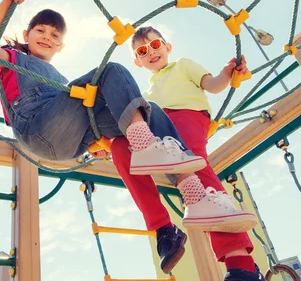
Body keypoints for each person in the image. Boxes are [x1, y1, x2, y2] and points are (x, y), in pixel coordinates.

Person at [0, 0, 253, 264]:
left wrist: (105, 145)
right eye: (41, 31)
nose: (47, 37)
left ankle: (194, 199)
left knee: (148, 113)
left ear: (62, 47)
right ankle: (150, 150)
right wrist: (8, 2)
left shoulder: (60, 80)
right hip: (36, 126)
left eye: (55, 36)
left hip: (67, 142)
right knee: (111, 71)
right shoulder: (13, 58)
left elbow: (91, 125)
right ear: (27, 35)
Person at [108, 26, 263, 281]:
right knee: (120, 149)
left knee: (196, 168)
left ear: (167, 46)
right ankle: (163, 229)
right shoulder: (144, 94)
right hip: (158, 130)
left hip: (186, 116)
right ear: (138, 61)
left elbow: (213, 85)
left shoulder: (182, 66)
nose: (152, 52)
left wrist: (227, 73)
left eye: (156, 45)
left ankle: (241, 263)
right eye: (143, 51)